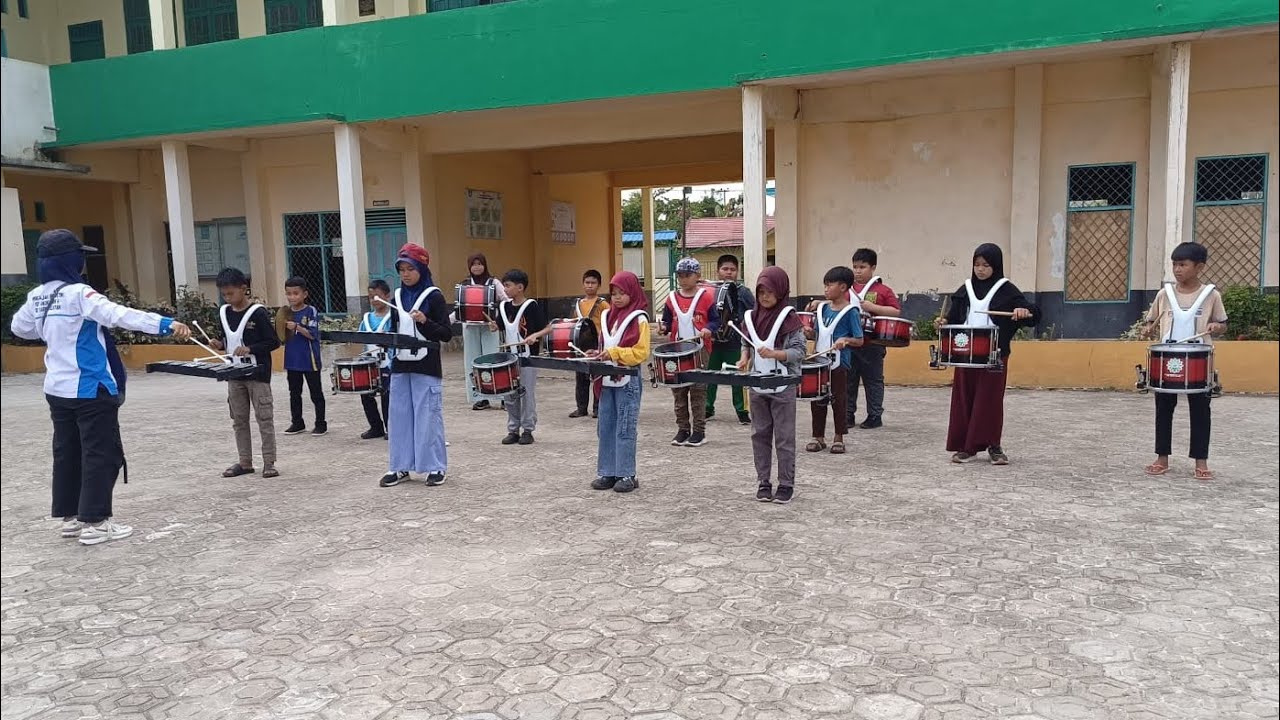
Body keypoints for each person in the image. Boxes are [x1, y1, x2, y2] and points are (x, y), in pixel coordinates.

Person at [10, 229, 191, 545]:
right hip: (91, 388)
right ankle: (95, 522)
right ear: (70, 260)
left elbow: (19, 328)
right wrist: (165, 324)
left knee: (67, 453)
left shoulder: (37, 297)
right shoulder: (81, 294)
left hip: (57, 389)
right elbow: (120, 315)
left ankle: (70, 518)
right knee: (100, 453)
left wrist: (53, 329)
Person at [934, 243, 1040, 465]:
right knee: (964, 400)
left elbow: (1034, 314)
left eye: (986, 265)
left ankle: (994, 446)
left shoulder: (1006, 289)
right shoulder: (965, 289)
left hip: (994, 353)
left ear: (996, 266)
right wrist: (944, 322)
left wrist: (1023, 312)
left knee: (990, 401)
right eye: (976, 265)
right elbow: (954, 317)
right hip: (965, 353)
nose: (980, 269)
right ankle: (966, 447)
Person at [1140, 242, 1228, 480]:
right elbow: (1151, 322)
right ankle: (1162, 458)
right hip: (1167, 357)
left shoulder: (1211, 295)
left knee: (1200, 411)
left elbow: (1222, 324)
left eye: (1183, 265)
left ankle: (1201, 462)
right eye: (1174, 264)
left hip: (1198, 358)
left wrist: (1216, 326)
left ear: (1199, 267)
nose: (1177, 269)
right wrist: (1148, 329)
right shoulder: (1164, 295)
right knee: (1163, 409)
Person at [380, 243, 455, 488]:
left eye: (410, 268)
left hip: (427, 366)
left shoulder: (433, 296)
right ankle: (399, 466)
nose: (405, 274)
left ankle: (435, 467)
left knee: (428, 417)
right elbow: (393, 328)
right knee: (399, 417)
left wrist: (424, 321)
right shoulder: (398, 297)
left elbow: (445, 333)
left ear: (421, 268)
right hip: (400, 366)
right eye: (401, 269)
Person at [738, 267, 806, 504]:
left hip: (783, 385)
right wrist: (744, 358)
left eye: (769, 291)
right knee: (759, 434)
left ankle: (786, 483)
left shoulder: (790, 318)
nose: (764, 296)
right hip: (757, 385)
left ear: (781, 291)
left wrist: (777, 354)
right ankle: (763, 481)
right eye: (760, 292)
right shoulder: (752, 317)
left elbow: (800, 351)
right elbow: (747, 343)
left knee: (784, 436)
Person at [208, 268, 282, 479]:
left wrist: (251, 349)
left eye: (231, 293)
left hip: (257, 375)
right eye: (224, 294)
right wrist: (219, 344)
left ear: (244, 288)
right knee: (239, 420)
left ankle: (269, 462)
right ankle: (245, 462)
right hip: (234, 374)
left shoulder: (257, 312)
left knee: (264, 418)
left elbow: (273, 342)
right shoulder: (224, 313)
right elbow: (227, 340)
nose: (228, 298)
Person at [588, 271, 651, 494]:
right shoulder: (607, 317)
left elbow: (641, 352)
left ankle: (626, 473)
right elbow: (604, 343)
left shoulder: (639, 319)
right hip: (607, 381)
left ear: (632, 293)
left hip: (628, 381)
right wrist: (596, 354)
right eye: (614, 293)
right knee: (605, 426)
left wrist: (614, 353)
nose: (616, 297)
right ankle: (607, 471)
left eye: (622, 293)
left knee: (625, 427)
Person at [659, 257, 719, 447]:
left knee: (698, 391)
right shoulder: (671, 299)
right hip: (676, 351)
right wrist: (664, 328)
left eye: (687, 275)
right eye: (680, 275)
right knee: (678, 391)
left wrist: (709, 328)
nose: (683, 279)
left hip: (700, 351)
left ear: (697, 276)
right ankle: (682, 429)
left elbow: (716, 321)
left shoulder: (706, 297)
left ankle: (699, 431)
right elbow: (667, 323)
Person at [804, 266, 864, 455]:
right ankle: (818, 436)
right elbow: (819, 333)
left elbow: (860, 339)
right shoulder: (822, 309)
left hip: (839, 363)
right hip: (819, 361)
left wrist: (845, 340)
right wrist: (809, 334)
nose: (826, 289)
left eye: (830, 285)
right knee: (817, 398)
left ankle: (839, 437)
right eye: (825, 285)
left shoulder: (851, 311)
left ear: (843, 287)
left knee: (839, 399)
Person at [490, 269, 551, 445]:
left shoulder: (531, 306)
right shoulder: (504, 307)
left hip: (528, 358)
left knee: (527, 394)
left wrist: (535, 335)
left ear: (520, 287)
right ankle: (513, 429)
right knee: (509, 394)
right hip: (509, 359)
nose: (505, 289)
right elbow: (500, 326)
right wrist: (494, 326)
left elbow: (548, 328)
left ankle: (528, 429)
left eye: (507, 286)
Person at [846, 248, 901, 429]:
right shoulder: (846, 289)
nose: (858, 271)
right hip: (850, 341)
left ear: (873, 267)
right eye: (855, 267)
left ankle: (874, 415)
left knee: (873, 380)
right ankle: (847, 415)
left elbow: (896, 311)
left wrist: (873, 307)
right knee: (849, 380)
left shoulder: (882, 290)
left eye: (862, 267)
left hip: (873, 343)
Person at [705, 254, 755, 425]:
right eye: (725, 269)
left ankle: (741, 411)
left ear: (737, 272)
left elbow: (753, 314)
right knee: (709, 376)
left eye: (732, 270)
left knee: (737, 378)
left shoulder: (744, 292)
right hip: (714, 343)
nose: (728, 272)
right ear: (718, 271)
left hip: (736, 342)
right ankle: (707, 407)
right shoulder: (710, 292)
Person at [458, 252, 509, 410]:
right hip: (470, 327)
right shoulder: (465, 284)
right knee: (472, 362)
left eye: (480, 264)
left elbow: (506, 301)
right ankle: (480, 397)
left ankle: (502, 395)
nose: (477, 267)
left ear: (485, 265)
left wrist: (498, 319)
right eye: (474, 264)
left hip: (490, 327)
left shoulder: (494, 282)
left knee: (493, 360)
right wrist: (448, 320)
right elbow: (459, 306)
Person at [282, 276, 326, 436]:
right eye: (289, 293)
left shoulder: (311, 311)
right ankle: (297, 422)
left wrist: (298, 327)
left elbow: (313, 335)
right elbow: (280, 336)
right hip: (292, 359)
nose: (292, 297)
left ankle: (321, 423)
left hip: (309, 359)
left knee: (316, 393)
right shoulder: (284, 313)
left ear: (304, 294)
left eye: (296, 293)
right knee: (294, 392)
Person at [358, 279, 393, 440]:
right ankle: (375, 426)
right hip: (370, 364)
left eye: (377, 297)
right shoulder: (366, 319)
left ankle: (390, 427)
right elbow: (362, 339)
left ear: (387, 296)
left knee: (387, 396)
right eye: (371, 297)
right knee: (366, 394)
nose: (374, 300)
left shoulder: (394, 316)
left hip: (389, 364)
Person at [571, 269, 608, 419]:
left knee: (598, 377)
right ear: (583, 284)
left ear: (599, 285)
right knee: (581, 377)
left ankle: (598, 408)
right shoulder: (578, 304)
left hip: (597, 343)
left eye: (593, 283)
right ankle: (581, 408)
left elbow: (608, 322)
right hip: (580, 344)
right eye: (587, 283)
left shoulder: (603, 304)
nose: (590, 286)